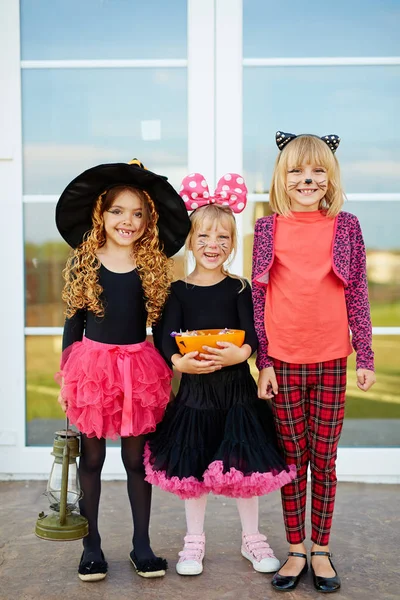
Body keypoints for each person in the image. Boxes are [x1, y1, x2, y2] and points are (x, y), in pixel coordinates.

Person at [144, 172, 297, 577]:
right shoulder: (178, 291)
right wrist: (180, 363)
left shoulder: (241, 289)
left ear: (233, 243)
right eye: (205, 237)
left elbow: (253, 338)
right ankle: (194, 542)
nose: (214, 246)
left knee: (244, 464)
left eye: (223, 239)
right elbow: (165, 340)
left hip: (236, 395)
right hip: (194, 395)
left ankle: (252, 538)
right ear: (191, 241)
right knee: (193, 468)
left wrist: (239, 354)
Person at [252, 132, 376, 593]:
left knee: (323, 459)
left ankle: (320, 548)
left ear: (330, 177)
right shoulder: (268, 229)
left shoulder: (346, 226)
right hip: (282, 361)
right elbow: (259, 298)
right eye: (297, 171)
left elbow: (357, 290)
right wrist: (263, 361)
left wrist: (364, 352)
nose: (307, 179)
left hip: (329, 360)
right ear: (283, 178)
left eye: (317, 170)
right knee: (292, 459)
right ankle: (295, 549)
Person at [55, 159, 191, 581]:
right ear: (102, 213)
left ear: (148, 219)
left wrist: (175, 358)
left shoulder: (152, 265)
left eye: (137, 213)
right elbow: (73, 324)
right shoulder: (86, 261)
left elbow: (161, 328)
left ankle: (142, 545)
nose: (126, 221)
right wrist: (70, 386)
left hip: (138, 367)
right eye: (118, 211)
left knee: (136, 460)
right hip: (92, 370)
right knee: (92, 459)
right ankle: (91, 546)